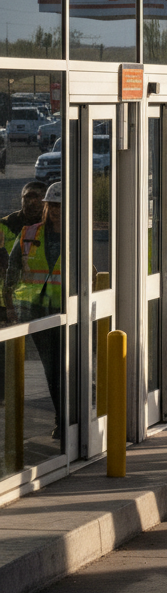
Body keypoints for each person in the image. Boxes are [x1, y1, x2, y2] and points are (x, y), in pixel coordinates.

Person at [4, 182, 62, 432]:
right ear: (46, 208)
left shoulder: (76, 235)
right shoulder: (29, 233)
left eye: (61, 206)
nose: (57, 211)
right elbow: (12, 272)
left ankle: (70, 417)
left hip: (65, 311)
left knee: (66, 367)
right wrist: (10, 306)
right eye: (53, 206)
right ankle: (62, 419)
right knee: (52, 369)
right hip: (38, 312)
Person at [0, 181, 45, 287]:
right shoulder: (4, 225)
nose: (31, 202)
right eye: (28, 197)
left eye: (37, 198)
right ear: (21, 199)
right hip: (8, 291)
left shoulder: (55, 226)